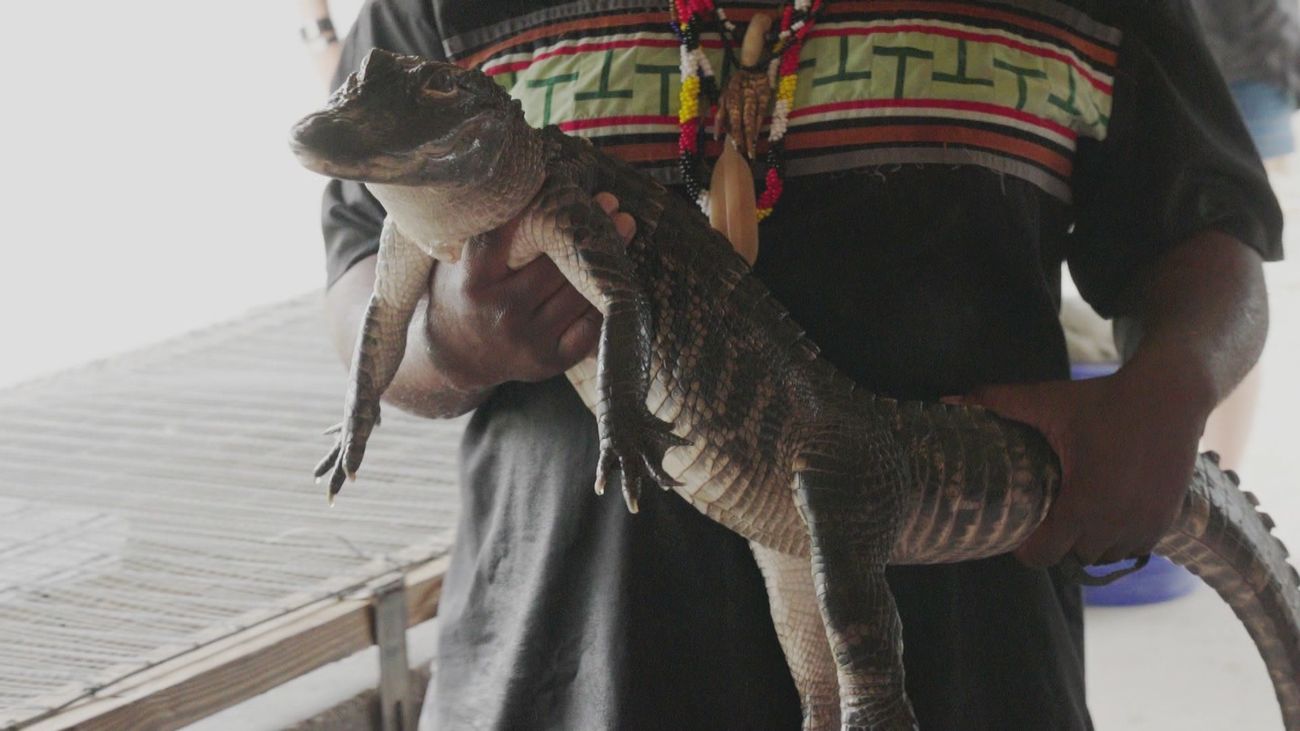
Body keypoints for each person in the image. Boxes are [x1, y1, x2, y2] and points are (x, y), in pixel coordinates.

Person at [317, 1, 1281, 728]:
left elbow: (1206, 234)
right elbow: (360, 274)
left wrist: (1166, 394)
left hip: (966, 667)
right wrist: (451, 338)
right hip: (563, 674)